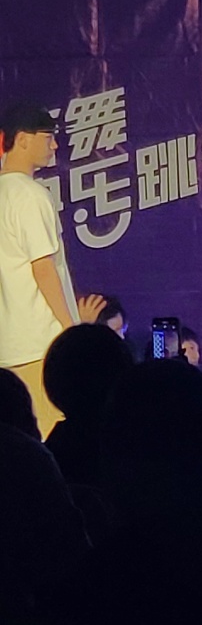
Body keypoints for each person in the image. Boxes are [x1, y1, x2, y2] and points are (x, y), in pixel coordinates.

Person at [0, 102, 106, 434]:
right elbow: (43, 268)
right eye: (48, 137)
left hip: (9, 346)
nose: (55, 145)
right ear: (22, 139)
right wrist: (71, 332)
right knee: (51, 440)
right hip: (41, 346)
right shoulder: (30, 196)